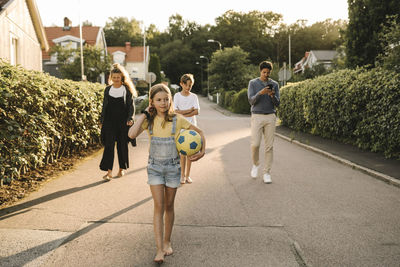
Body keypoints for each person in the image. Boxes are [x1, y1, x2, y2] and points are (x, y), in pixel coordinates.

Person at [128, 84, 206, 264]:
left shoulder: (177, 120)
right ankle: (159, 249)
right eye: (158, 100)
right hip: (154, 168)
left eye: (166, 99)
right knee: (159, 206)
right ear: (152, 102)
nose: (163, 103)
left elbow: (200, 133)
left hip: (173, 168)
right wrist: (144, 114)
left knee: (169, 206)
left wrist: (202, 151)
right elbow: (131, 134)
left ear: (170, 100)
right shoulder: (148, 121)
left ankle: (167, 241)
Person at [99, 63, 137, 180]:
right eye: (114, 77)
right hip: (109, 122)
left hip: (123, 123)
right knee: (109, 146)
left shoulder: (126, 90)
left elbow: (131, 106)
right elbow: (104, 107)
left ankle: (121, 169)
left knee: (122, 146)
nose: (116, 79)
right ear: (111, 78)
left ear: (122, 77)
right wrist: (102, 120)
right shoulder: (107, 90)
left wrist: (130, 118)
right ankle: (109, 172)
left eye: (118, 77)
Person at [247, 61, 280, 184]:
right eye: (264, 72)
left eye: (268, 72)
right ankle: (255, 165)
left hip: (270, 116)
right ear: (260, 71)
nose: (266, 75)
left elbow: (278, 104)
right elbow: (251, 101)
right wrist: (261, 93)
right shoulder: (253, 83)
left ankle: (266, 172)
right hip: (257, 116)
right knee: (255, 144)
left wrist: (272, 95)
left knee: (269, 146)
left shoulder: (274, 84)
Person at [173, 74, 200, 184]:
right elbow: (175, 111)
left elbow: (196, 111)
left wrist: (183, 112)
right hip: (180, 127)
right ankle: (182, 176)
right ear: (181, 84)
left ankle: (188, 175)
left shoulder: (194, 97)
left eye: (190, 85)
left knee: (190, 152)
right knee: (182, 153)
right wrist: (189, 110)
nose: (188, 87)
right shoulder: (177, 96)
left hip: (191, 126)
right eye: (187, 85)